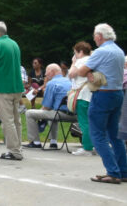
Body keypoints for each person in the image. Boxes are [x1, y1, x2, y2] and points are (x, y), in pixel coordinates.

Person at [68, 23, 126, 183]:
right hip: (117, 93)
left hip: (103, 95)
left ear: (100, 36)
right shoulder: (119, 51)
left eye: (95, 36)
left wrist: (91, 72)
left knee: (98, 135)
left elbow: (81, 71)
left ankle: (112, 172)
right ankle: (123, 171)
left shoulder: (101, 51)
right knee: (115, 135)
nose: (94, 39)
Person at [0, 21, 25, 161]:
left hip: (3, 88)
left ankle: (14, 151)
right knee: (16, 120)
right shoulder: (14, 43)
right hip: (16, 87)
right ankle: (18, 147)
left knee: (7, 120)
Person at [24, 64, 72, 150]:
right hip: (75, 115)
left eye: (46, 72)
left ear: (52, 72)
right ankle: (53, 142)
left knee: (29, 113)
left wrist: (39, 116)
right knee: (53, 111)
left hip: (60, 114)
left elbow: (46, 106)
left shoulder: (51, 83)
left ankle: (35, 142)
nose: (45, 74)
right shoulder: (70, 81)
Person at [70, 42, 95, 156]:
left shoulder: (81, 61)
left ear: (80, 52)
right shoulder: (93, 59)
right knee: (93, 122)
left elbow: (71, 74)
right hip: (93, 94)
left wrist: (74, 62)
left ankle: (87, 148)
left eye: (75, 52)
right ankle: (93, 145)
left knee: (84, 122)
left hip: (83, 95)